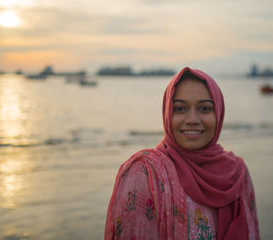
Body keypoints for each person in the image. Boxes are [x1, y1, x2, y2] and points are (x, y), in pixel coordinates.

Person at [105, 67, 260, 239]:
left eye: (205, 108)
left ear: (219, 113)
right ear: (167, 114)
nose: (192, 120)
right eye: (180, 108)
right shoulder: (145, 174)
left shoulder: (238, 174)